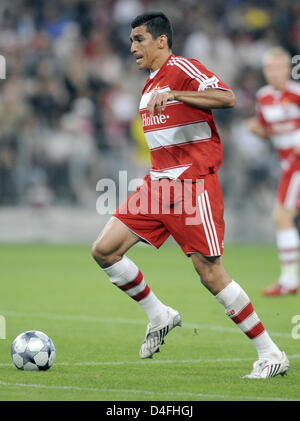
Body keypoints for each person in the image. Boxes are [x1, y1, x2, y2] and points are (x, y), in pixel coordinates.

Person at [92, 12, 289, 378]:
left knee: (210, 273)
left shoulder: (182, 68)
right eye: (131, 40)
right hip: (158, 184)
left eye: (139, 39)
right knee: (104, 250)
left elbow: (227, 97)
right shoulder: (150, 83)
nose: (132, 46)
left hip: (191, 183)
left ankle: (271, 353)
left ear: (161, 41)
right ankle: (159, 314)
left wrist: (178, 93)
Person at [248, 47, 300, 297]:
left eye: (280, 67)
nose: (275, 72)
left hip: (297, 165)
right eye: (270, 68)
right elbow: (268, 129)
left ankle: (289, 281)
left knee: (282, 217)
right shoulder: (263, 97)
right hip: (286, 165)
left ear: (288, 70)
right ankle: (289, 280)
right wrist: (258, 130)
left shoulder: (297, 93)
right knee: (284, 219)